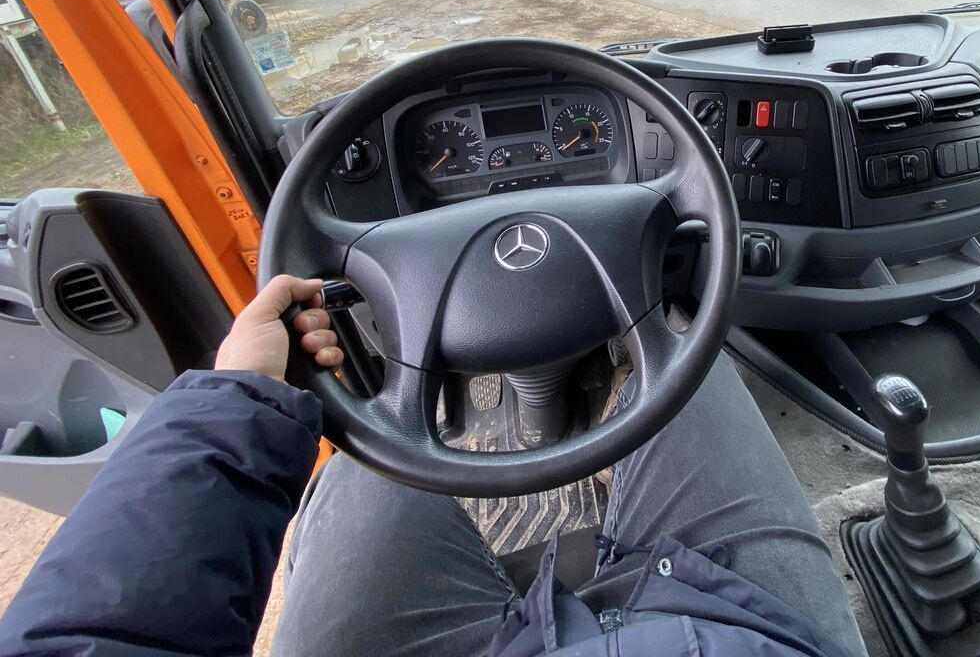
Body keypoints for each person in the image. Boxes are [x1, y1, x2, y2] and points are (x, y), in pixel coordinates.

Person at [0, 276, 867, 657]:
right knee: (679, 347)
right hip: (741, 639)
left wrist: (238, 395)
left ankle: (423, 413)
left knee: (375, 444)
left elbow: (105, 633)